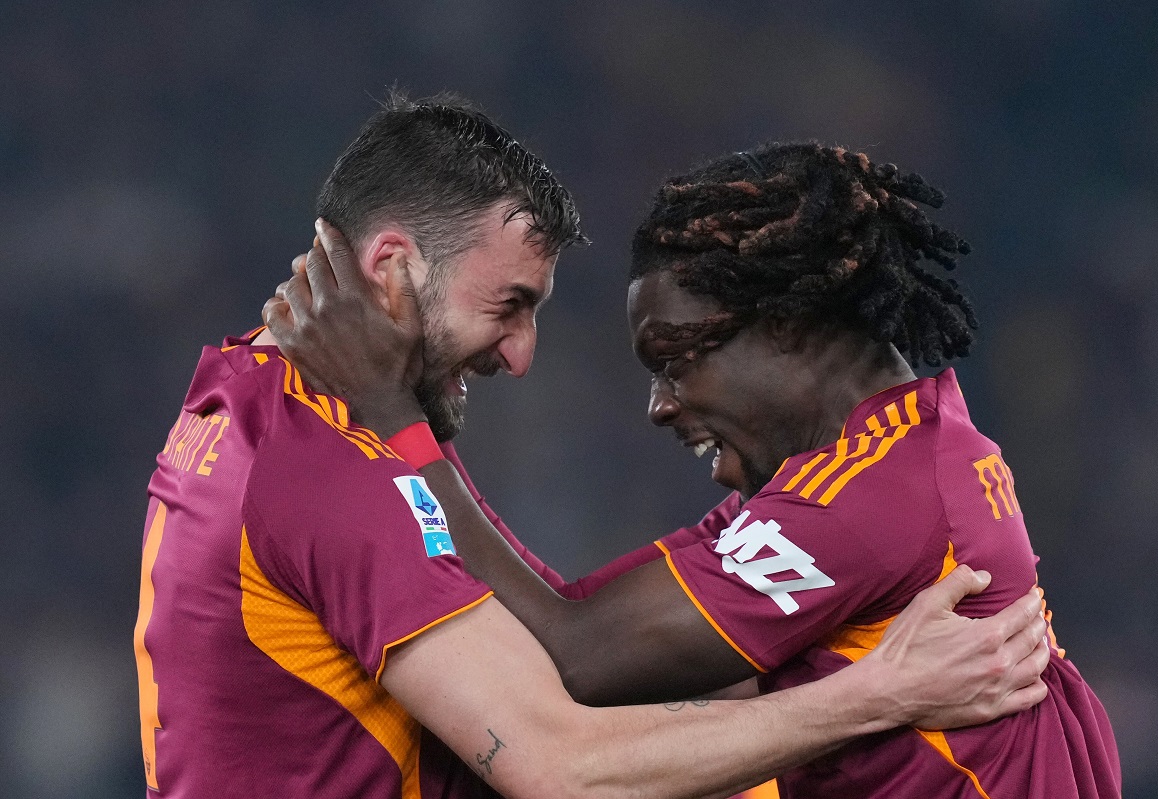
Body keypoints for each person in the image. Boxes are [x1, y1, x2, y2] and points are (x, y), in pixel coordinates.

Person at [135, 95, 1050, 799]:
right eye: (510, 306)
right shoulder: (332, 462)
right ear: (392, 270)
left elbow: (590, 670)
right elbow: (558, 753)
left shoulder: (238, 405)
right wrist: (883, 693)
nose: (522, 355)